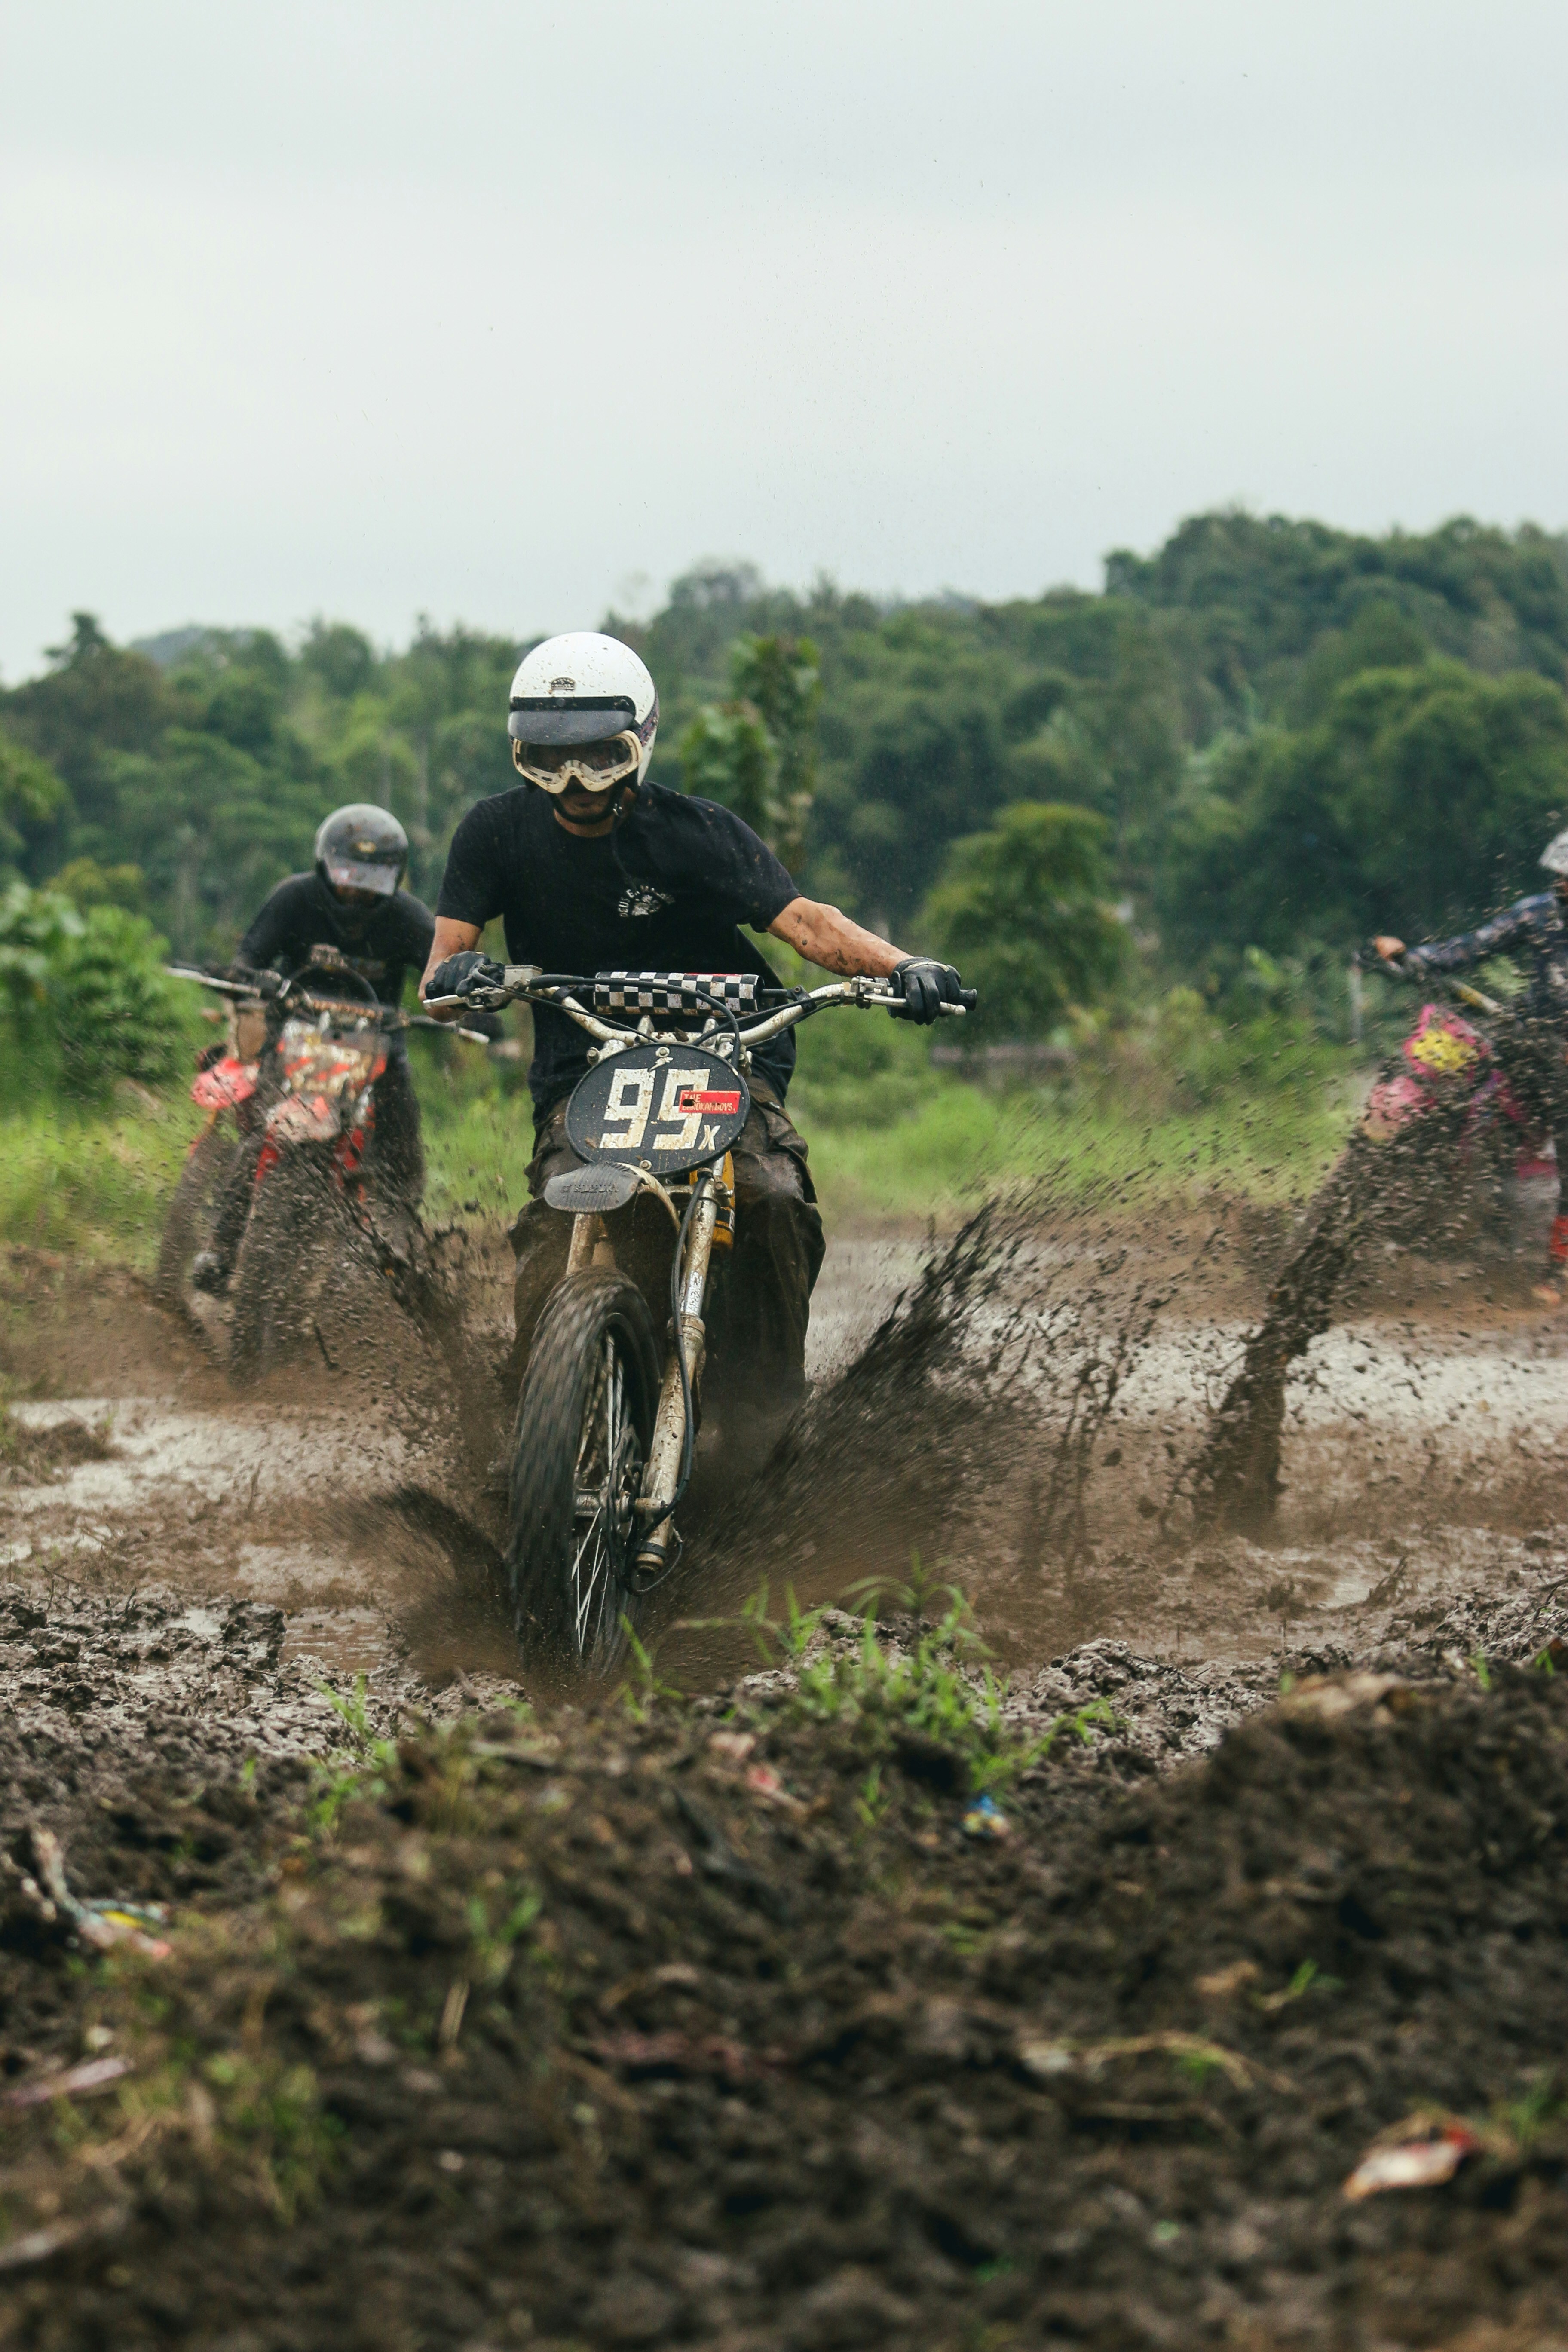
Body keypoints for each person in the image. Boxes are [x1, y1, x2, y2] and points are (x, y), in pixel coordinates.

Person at [422, 630, 966, 1438]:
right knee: (550, 1218)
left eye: (597, 755)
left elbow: (807, 926)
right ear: (520, 753)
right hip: (587, 1060)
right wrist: (459, 981)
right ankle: (530, 1421)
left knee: (772, 1200)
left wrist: (905, 964)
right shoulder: (494, 833)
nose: (574, 782)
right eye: (549, 757)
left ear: (640, 740)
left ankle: (769, 1421)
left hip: (725, 1053)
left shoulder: (695, 832)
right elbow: (441, 974)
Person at [191, 804, 436, 1292]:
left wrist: (462, 1004)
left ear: (393, 878)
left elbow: (442, 971)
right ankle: (221, 1249)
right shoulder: (295, 898)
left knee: (403, 1151)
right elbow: (250, 955)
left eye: (370, 879)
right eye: (347, 875)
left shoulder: (408, 916)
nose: (356, 888)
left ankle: (401, 1254)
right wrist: (250, 975)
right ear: (325, 865)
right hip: (296, 1037)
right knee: (262, 1134)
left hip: (379, 1049)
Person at [1372, 826, 1568, 1299]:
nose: (1563, 886)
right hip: (1526, 1037)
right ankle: (1382, 1175)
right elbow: (1472, 946)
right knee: (1448, 1069)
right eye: (1562, 878)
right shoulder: (1538, 914)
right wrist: (1412, 958)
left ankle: (1558, 1266)